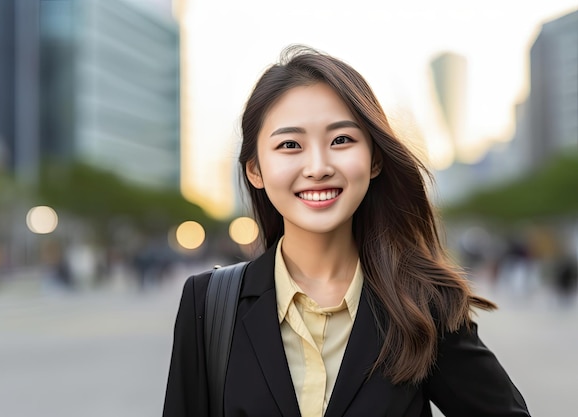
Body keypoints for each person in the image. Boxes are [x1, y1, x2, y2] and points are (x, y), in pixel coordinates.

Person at [163, 46, 530, 417]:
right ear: (255, 170)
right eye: (290, 145)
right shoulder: (208, 303)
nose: (318, 167)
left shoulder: (421, 304)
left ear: (374, 160)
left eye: (341, 140)